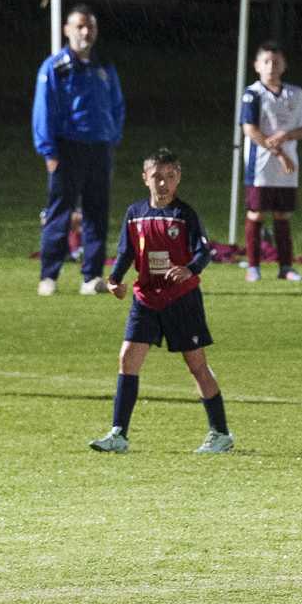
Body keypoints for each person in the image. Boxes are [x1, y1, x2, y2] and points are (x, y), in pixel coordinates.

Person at [88, 148, 234, 454]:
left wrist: (189, 269)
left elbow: (204, 252)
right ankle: (118, 434)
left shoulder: (184, 215)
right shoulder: (135, 213)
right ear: (145, 178)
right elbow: (127, 251)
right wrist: (114, 280)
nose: (164, 183)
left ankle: (221, 433)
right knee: (128, 358)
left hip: (181, 299)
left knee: (196, 365)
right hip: (146, 298)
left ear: (178, 178)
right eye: (157, 176)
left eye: (170, 176)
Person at [33, 4, 127, 296]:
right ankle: (49, 276)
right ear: (67, 30)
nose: (86, 32)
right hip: (67, 147)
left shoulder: (104, 66)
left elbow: (117, 104)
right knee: (60, 212)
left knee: (97, 212)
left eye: (91, 27)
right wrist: (49, 151)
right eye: (80, 26)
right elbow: (43, 109)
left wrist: (112, 136)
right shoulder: (56, 67)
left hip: (99, 148)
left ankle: (92, 276)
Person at [238, 39, 302, 282]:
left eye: (276, 62)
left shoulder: (295, 93)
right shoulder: (252, 94)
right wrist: (280, 153)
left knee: (283, 215)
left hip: (287, 168)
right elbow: (250, 129)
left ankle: (286, 267)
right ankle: (253, 267)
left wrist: (286, 136)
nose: (271, 66)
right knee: (256, 213)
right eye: (267, 62)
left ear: (284, 65)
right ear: (257, 65)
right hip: (260, 165)